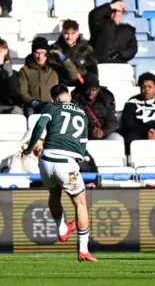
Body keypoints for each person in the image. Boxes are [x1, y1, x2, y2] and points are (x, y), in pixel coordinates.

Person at [21, 84, 98, 262]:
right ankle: (83, 250)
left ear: (54, 98)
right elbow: (84, 143)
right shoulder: (81, 112)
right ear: (68, 96)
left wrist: (29, 149)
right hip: (67, 163)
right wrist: (77, 159)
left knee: (54, 193)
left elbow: (40, 125)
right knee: (80, 203)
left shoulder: (51, 106)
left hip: (46, 160)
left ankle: (61, 227)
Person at [19, 37, 78, 116]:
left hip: (53, 105)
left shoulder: (54, 69)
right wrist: (32, 102)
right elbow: (22, 92)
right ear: (32, 53)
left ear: (47, 53)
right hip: (33, 107)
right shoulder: (25, 70)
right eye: (37, 53)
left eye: (43, 53)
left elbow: (73, 75)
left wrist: (62, 58)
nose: (39, 57)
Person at [121, 72, 155, 150]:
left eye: (150, 87)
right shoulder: (131, 102)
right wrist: (146, 132)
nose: (146, 90)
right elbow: (128, 123)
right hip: (139, 132)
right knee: (130, 137)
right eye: (144, 87)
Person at [71, 73, 122, 141]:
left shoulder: (106, 99)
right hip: (84, 134)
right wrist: (90, 132)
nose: (90, 93)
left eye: (94, 90)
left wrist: (103, 132)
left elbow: (112, 121)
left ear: (98, 89)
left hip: (104, 133)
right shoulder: (76, 100)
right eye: (88, 89)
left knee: (117, 138)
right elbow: (74, 123)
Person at [50, 19, 98, 86]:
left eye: (72, 34)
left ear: (77, 34)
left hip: (81, 86)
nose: (69, 37)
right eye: (66, 33)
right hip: (61, 86)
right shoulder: (55, 49)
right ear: (62, 33)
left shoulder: (86, 48)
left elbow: (93, 71)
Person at [88, 0, 138, 64]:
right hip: (97, 64)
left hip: (117, 65)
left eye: (119, 11)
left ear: (122, 14)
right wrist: (111, 6)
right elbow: (93, 15)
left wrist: (119, 54)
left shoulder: (128, 31)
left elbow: (133, 49)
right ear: (109, 12)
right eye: (114, 11)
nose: (116, 14)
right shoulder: (100, 24)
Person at [0, 40, 22, 114]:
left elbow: (16, 95)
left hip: (9, 106)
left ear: (5, 51)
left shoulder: (14, 74)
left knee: (17, 111)